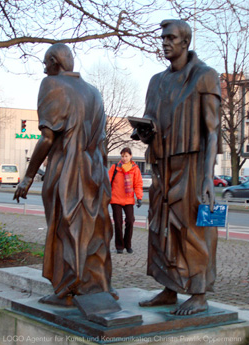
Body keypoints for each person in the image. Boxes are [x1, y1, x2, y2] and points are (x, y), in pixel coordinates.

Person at [13, 43, 115, 306]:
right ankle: (96, 285)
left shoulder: (52, 85)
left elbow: (47, 138)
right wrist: (102, 178)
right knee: (93, 229)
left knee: (65, 226)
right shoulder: (94, 92)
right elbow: (102, 143)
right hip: (95, 170)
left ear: (54, 63)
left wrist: (28, 176)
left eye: (46, 63)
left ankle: (68, 289)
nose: (44, 69)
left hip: (68, 169)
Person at [133, 19, 222, 315]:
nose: (165, 42)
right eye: (163, 38)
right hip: (162, 164)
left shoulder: (205, 76)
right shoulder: (156, 81)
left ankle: (198, 293)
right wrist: (144, 131)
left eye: (171, 37)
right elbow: (150, 119)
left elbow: (212, 130)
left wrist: (209, 176)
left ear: (186, 41)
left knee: (193, 228)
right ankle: (169, 287)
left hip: (192, 165)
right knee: (160, 228)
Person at [109, 147, 143, 254]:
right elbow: (107, 182)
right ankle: (119, 246)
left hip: (128, 200)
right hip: (116, 199)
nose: (124, 158)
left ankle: (128, 245)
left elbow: (138, 184)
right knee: (118, 223)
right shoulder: (115, 168)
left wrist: (139, 197)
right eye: (122, 156)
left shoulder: (135, 169)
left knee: (130, 221)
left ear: (130, 156)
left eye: (126, 156)